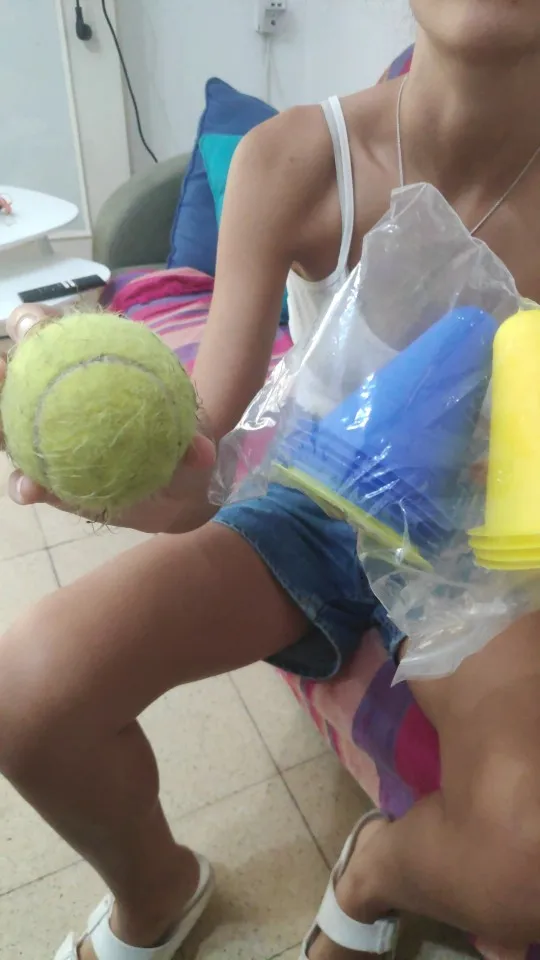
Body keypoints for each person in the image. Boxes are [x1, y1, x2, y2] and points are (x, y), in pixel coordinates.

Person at [3, 2, 540, 958]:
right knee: (27, 693)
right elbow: (205, 461)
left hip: (484, 552)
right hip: (315, 503)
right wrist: (146, 487)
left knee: (525, 863)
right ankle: (156, 893)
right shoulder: (294, 160)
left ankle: (374, 871)